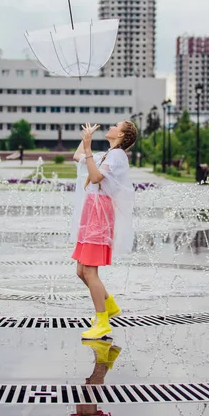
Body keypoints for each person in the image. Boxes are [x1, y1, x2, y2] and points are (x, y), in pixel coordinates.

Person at [71, 120, 137, 340]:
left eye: (116, 126)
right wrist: (85, 140)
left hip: (99, 213)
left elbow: (97, 177)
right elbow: (77, 158)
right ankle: (109, 306)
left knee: (90, 271)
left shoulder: (117, 156)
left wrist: (89, 149)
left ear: (122, 134)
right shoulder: (107, 154)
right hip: (91, 209)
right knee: (81, 271)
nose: (111, 127)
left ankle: (102, 323)